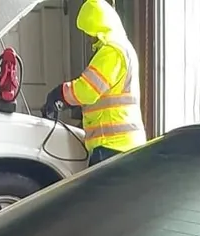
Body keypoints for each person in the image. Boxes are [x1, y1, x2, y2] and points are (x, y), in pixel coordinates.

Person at [42, 0, 145, 166]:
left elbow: (88, 90)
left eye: (90, 33)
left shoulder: (112, 52)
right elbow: (106, 94)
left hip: (112, 146)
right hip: (121, 145)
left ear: (99, 29)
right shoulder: (122, 49)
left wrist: (60, 94)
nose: (89, 39)